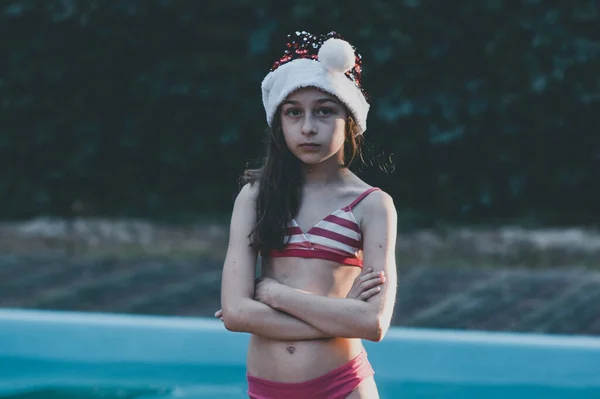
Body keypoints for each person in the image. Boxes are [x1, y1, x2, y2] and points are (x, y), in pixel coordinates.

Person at [216, 31, 398, 399]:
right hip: (267, 388)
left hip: (343, 386)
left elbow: (373, 323)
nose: (309, 127)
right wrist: (341, 315)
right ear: (279, 123)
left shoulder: (372, 205)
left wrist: (274, 294)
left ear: (349, 118)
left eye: (324, 111)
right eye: (294, 112)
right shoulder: (255, 197)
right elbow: (235, 313)